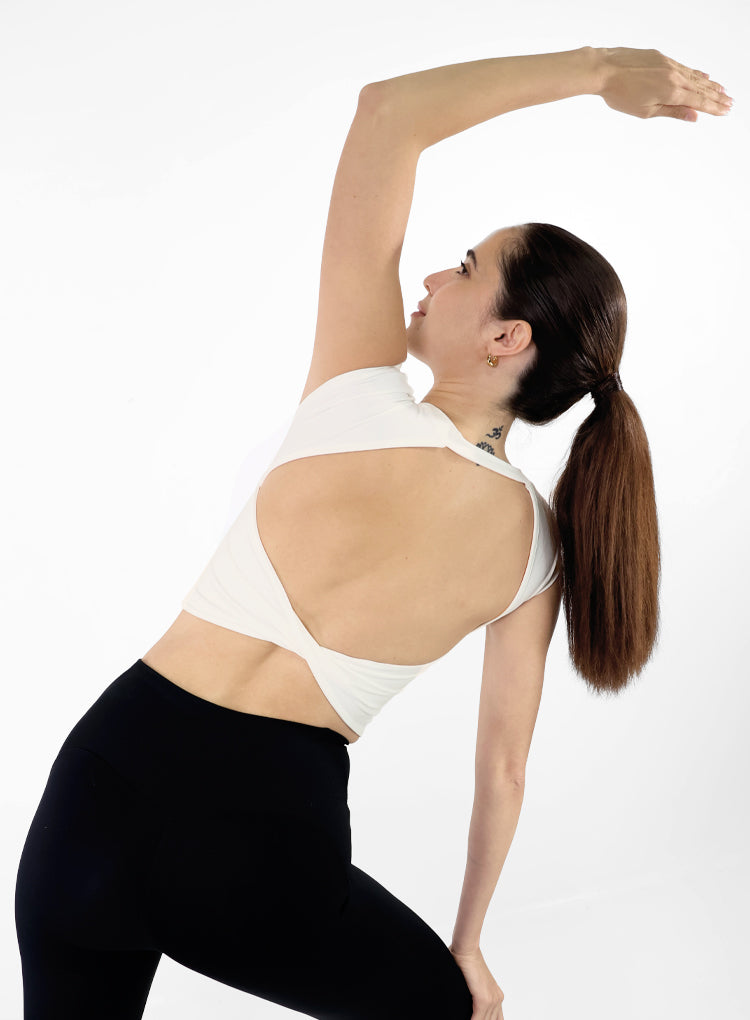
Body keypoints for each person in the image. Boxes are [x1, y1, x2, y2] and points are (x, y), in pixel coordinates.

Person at [14, 45, 731, 1020]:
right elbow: (504, 769)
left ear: (506, 337)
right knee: (442, 1008)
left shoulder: (353, 386)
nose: (433, 273)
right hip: (259, 846)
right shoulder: (535, 548)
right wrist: (466, 949)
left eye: (467, 267)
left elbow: (388, 112)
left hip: (96, 791)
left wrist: (600, 71)